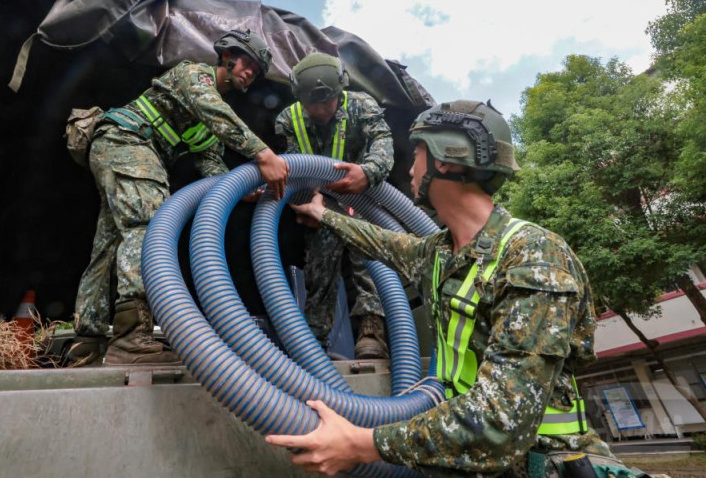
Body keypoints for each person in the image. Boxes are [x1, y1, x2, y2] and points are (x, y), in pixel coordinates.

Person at [267, 100, 618, 477]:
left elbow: (502, 418)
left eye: (417, 154)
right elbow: (382, 242)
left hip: (541, 465)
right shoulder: (438, 253)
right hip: (469, 463)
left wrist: (361, 444)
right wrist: (323, 214)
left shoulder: (533, 256)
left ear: (446, 160)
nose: (410, 168)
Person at [68, 29, 289, 366]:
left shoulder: (205, 123)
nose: (251, 72)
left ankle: (87, 340)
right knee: (149, 224)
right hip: (126, 140)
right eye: (248, 63)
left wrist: (241, 190)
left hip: (121, 149)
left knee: (110, 243)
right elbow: (212, 109)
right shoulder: (194, 75)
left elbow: (210, 162)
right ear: (227, 56)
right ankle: (131, 337)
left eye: (257, 71)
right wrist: (263, 153)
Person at [275, 52, 393, 359]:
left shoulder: (361, 106)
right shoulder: (289, 120)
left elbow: (383, 144)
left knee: (367, 261)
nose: (322, 110)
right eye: (313, 104)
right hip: (319, 203)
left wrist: (367, 172)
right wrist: (306, 206)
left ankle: (371, 331)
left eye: (328, 101)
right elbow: (291, 171)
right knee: (319, 270)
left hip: (362, 199)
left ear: (339, 91)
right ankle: (314, 343)